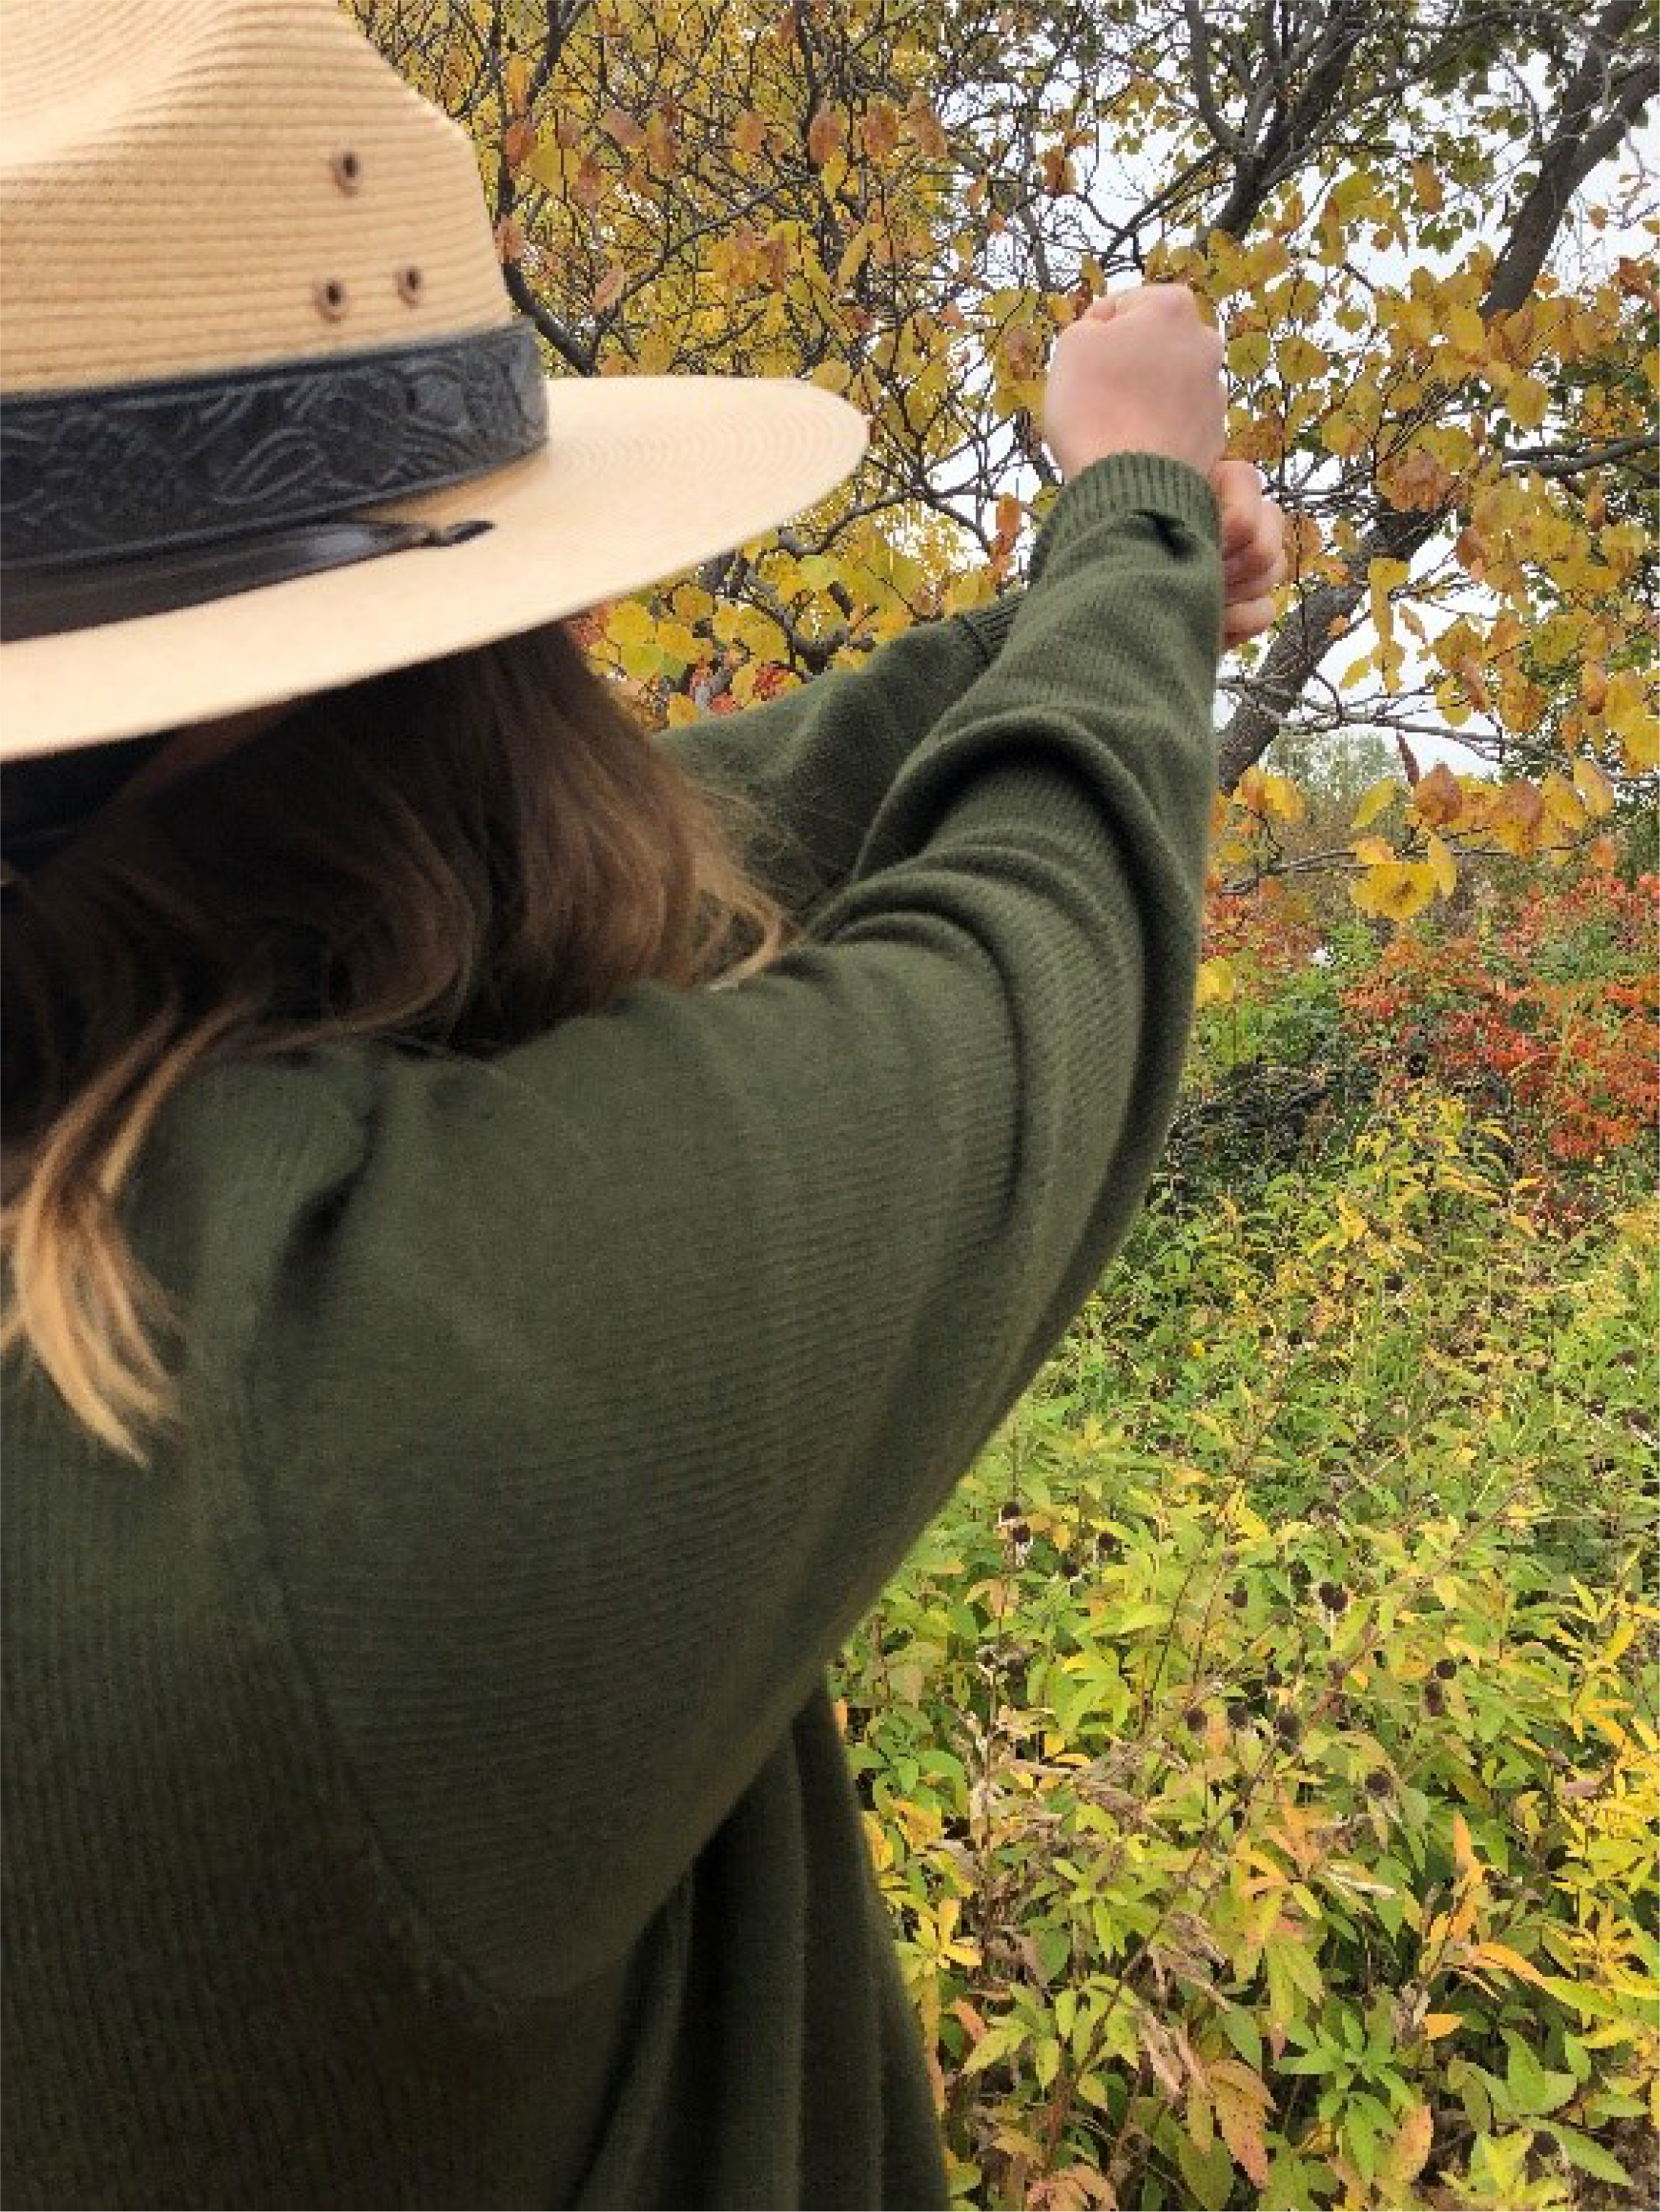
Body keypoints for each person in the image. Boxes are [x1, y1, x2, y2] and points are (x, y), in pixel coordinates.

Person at [0, 2, 1286, 2206]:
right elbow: (1016, 989)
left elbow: (590, 875)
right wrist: (1135, 513)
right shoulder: (325, 1433)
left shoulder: (117, 1103)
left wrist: (1029, 630)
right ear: (455, 683)